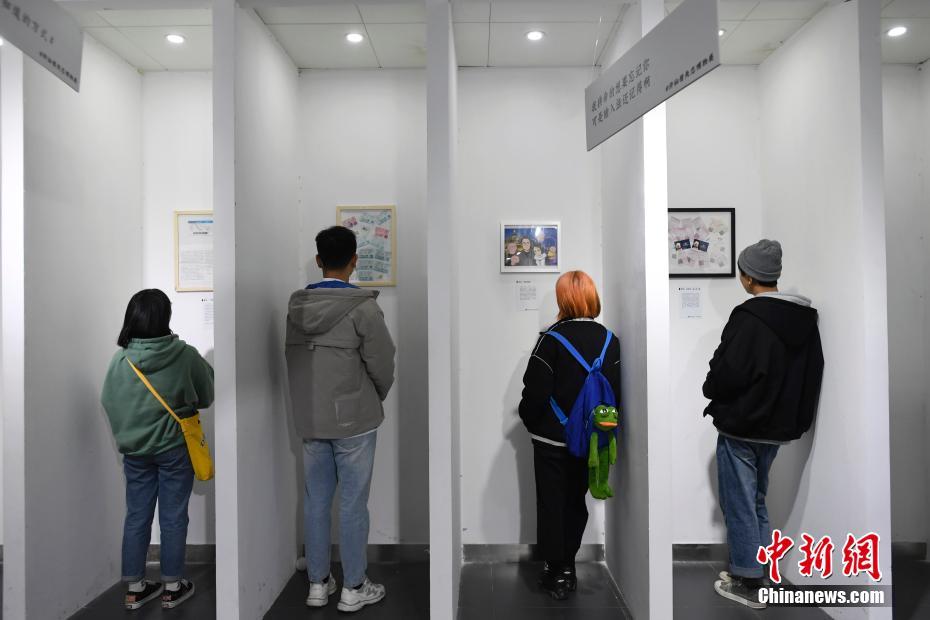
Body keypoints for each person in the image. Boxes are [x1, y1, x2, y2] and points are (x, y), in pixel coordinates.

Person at [703, 240, 824, 609]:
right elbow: (812, 372)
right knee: (756, 499)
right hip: (777, 429)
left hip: (742, 425)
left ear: (749, 277)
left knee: (739, 502)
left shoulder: (749, 317)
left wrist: (711, 388)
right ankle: (757, 571)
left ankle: (749, 584)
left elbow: (728, 370)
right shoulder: (804, 320)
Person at [285, 226, 396, 613]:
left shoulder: (296, 308)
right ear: (355, 261)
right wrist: (376, 394)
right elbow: (383, 363)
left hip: (310, 418)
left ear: (318, 261)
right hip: (354, 421)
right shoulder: (363, 308)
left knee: (316, 501)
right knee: (352, 504)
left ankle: (317, 584)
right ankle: (354, 586)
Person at [101, 289, 215, 611]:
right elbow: (207, 394)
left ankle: (135, 588)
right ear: (166, 316)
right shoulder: (185, 355)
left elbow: (108, 400)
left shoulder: (121, 359)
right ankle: (172, 587)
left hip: (135, 452)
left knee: (137, 516)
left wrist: (131, 431)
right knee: (173, 516)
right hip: (174, 449)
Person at [517, 270, 621, 600]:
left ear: (563, 299)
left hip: (552, 439)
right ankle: (569, 566)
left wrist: (530, 421)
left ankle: (556, 571)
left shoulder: (550, 340)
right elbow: (615, 393)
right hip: (591, 439)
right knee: (576, 501)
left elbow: (534, 392)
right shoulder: (610, 341)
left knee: (552, 503)